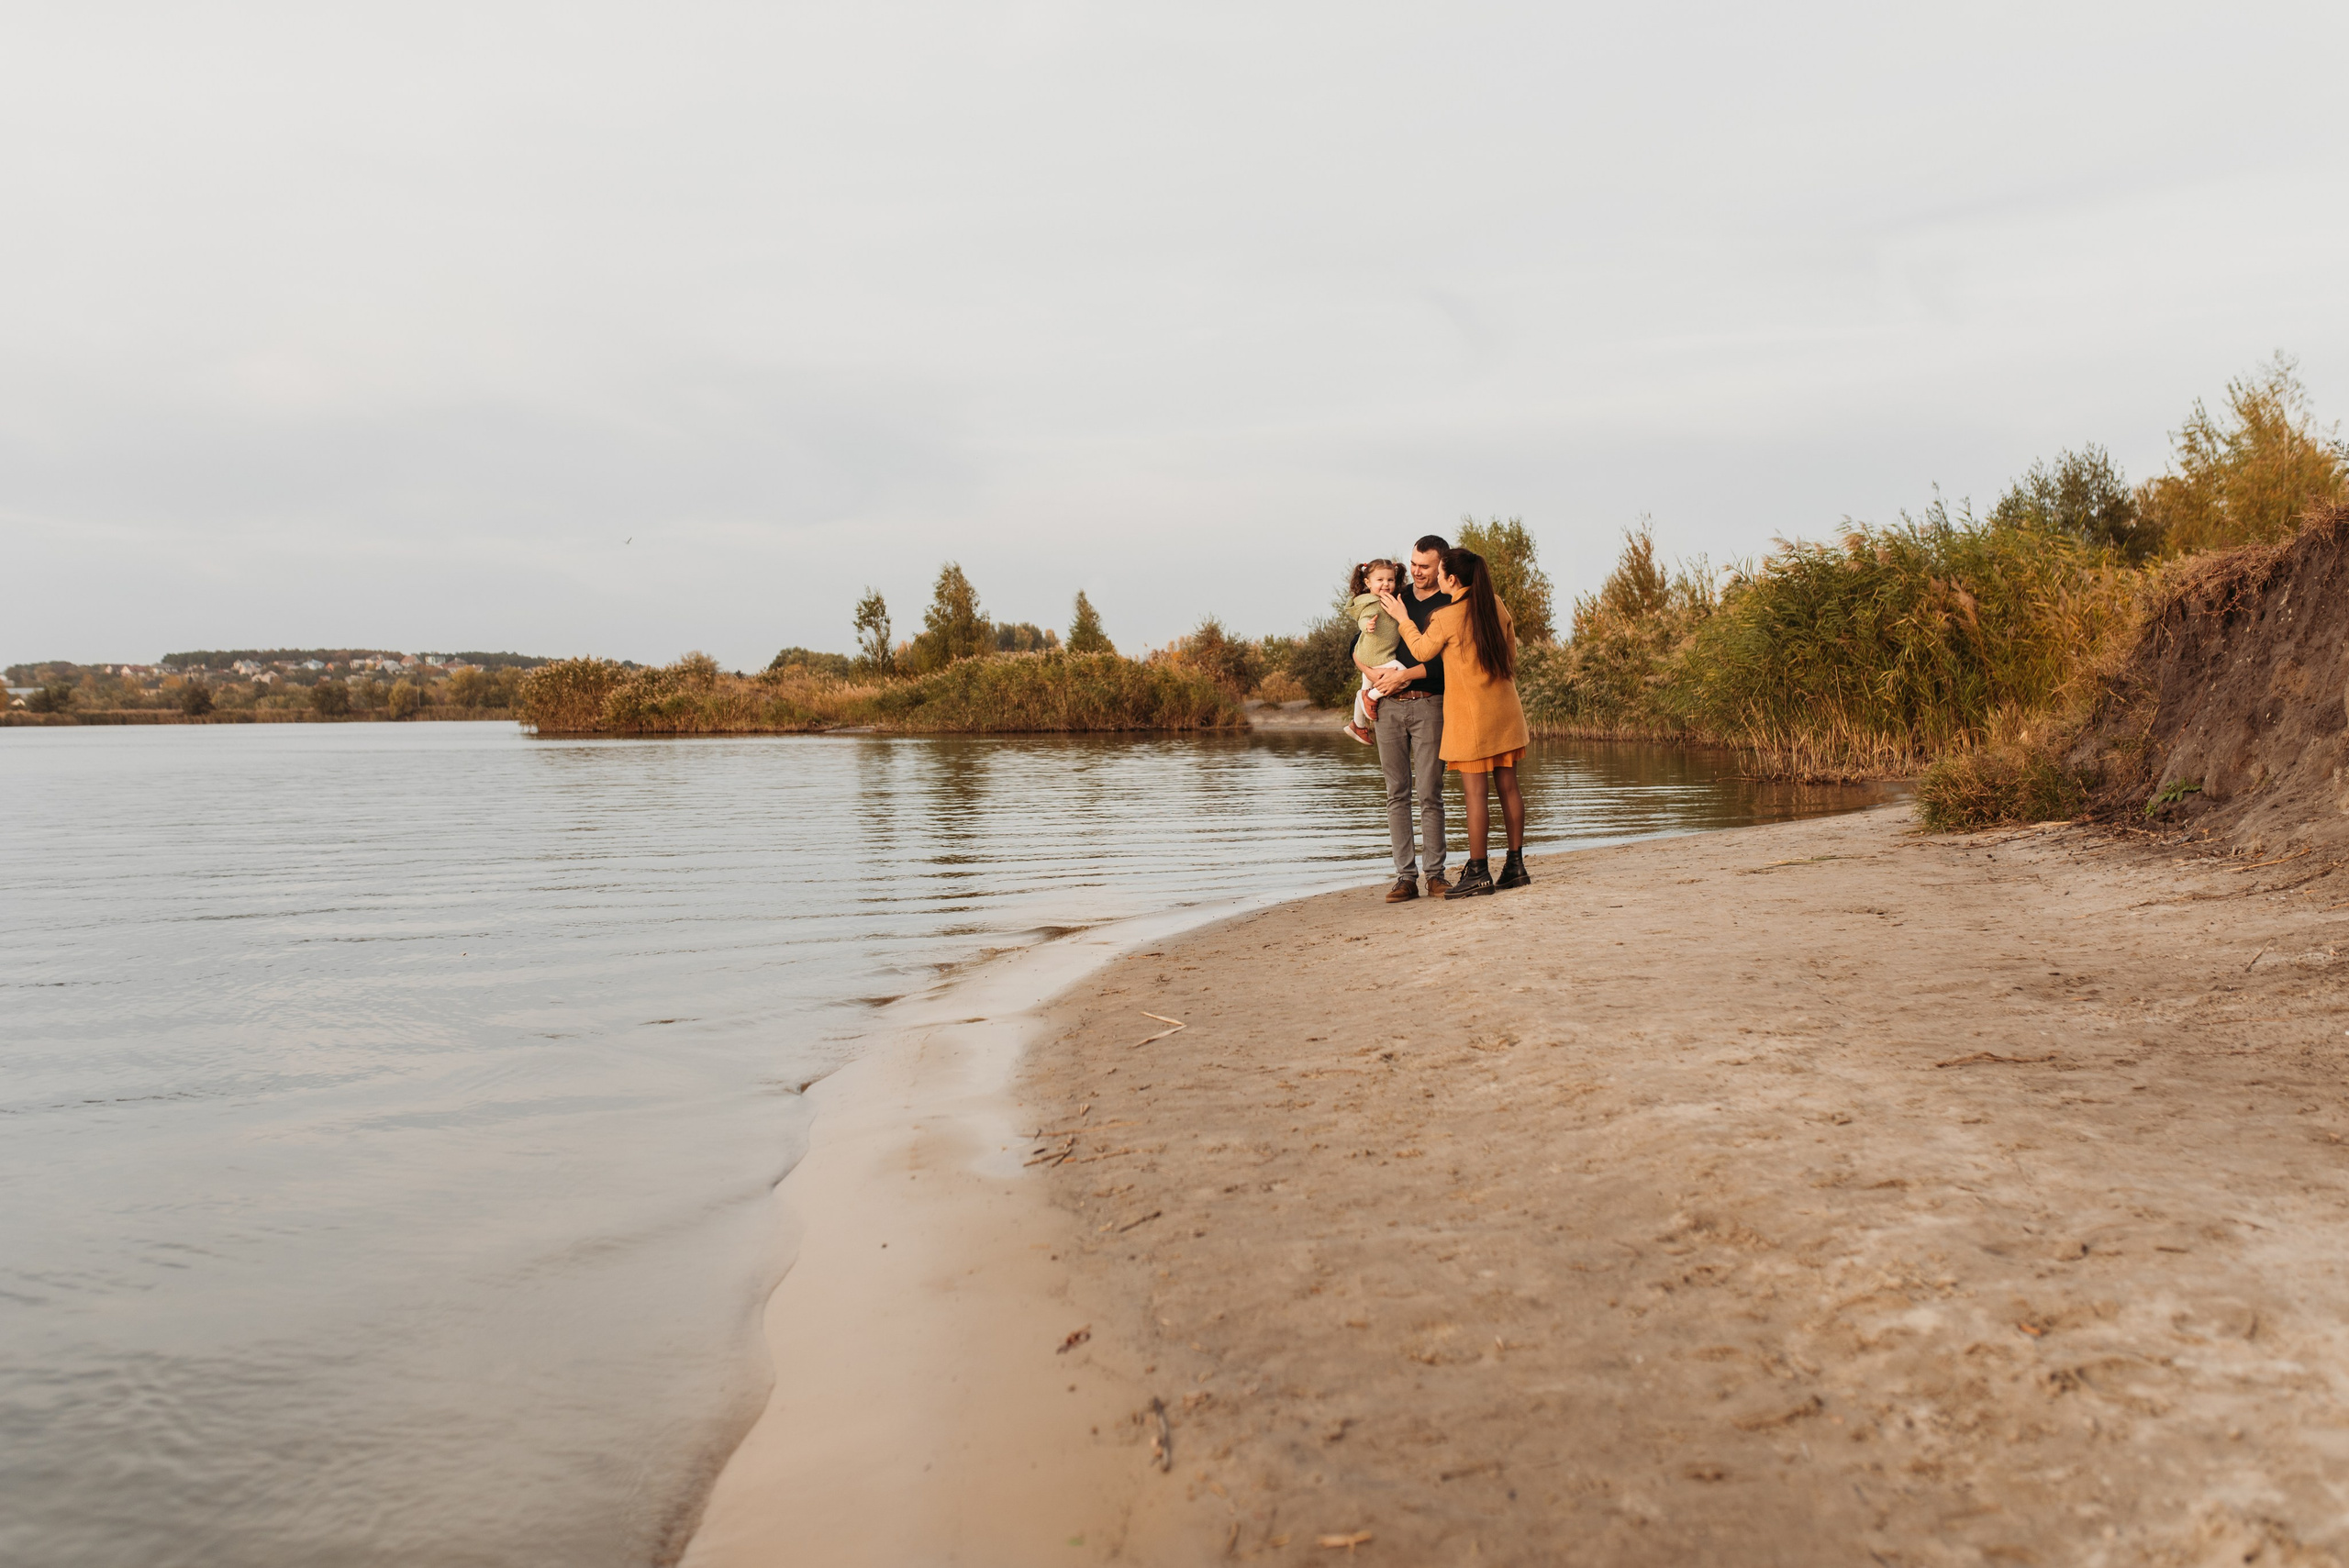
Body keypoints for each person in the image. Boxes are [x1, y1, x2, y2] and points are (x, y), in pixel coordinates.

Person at [1376, 546, 1531, 898]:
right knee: (1509, 788)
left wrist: (1403, 618)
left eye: (1439, 571)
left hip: (1473, 717)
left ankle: (1478, 871)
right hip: (1506, 711)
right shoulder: (1495, 603)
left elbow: (1420, 650)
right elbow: (1511, 654)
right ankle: (1515, 866)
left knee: (1476, 794)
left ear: (1451, 578)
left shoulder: (1447, 616)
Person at [1367, 535, 1453, 903]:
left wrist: (1404, 675)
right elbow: (1361, 644)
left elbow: (1443, 663)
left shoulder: (1450, 602)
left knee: (1430, 793)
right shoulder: (1393, 595)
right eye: (1414, 564)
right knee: (1395, 794)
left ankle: (1436, 875)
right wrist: (1369, 682)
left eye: (1425, 566)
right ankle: (1406, 878)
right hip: (1388, 707)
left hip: (1430, 704)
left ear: (1442, 567)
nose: (1416, 572)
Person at [1341, 559, 1407, 745]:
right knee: (1403, 676)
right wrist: (1367, 625)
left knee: (1364, 686)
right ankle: (1370, 697)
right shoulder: (1371, 602)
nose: (1386, 584)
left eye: (1390, 580)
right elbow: (1364, 619)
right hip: (1377, 655)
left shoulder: (1388, 599)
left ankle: (1357, 725)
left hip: (1370, 652)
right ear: (1368, 582)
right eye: (1380, 580)